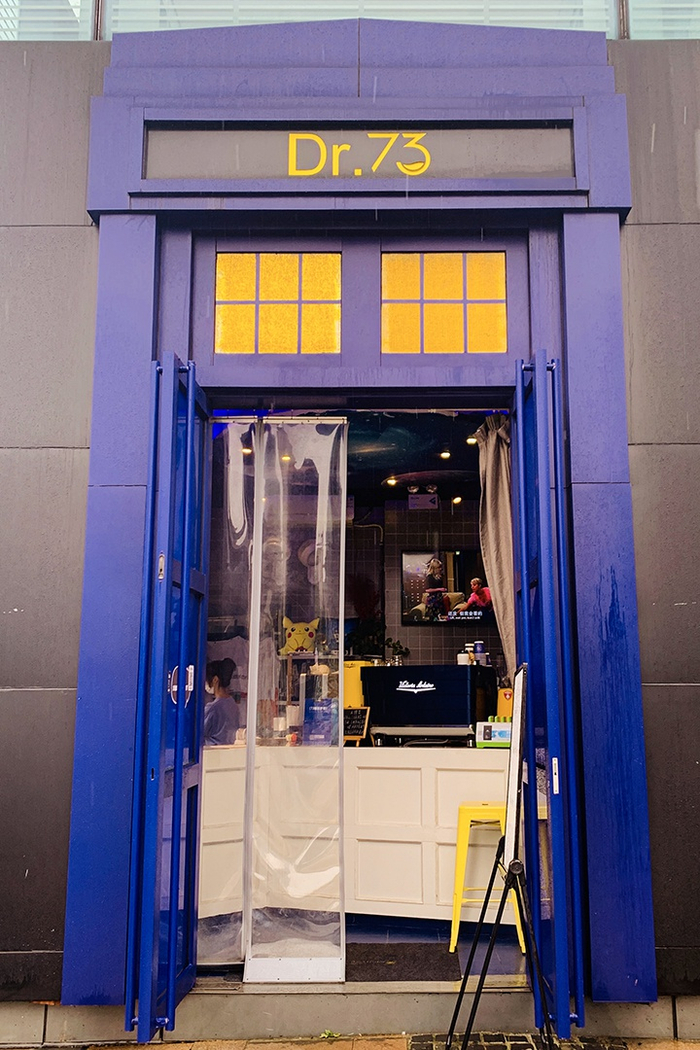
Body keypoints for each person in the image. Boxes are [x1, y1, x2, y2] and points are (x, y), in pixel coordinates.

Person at [203, 658, 244, 746]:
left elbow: (198, 732)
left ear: (215, 680)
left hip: (212, 750)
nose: (205, 684)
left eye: (207, 680)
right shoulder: (232, 704)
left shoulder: (212, 708)